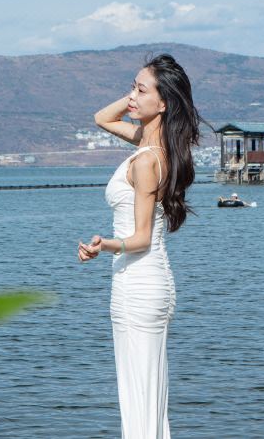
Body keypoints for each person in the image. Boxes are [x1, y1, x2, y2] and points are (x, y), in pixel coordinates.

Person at [78, 53, 202, 439]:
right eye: (131, 87)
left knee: (141, 397)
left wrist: (103, 244)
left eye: (141, 90)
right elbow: (101, 118)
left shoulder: (148, 160)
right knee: (143, 396)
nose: (132, 96)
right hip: (142, 280)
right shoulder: (149, 144)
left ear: (163, 103)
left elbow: (142, 237)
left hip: (139, 283)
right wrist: (138, 95)